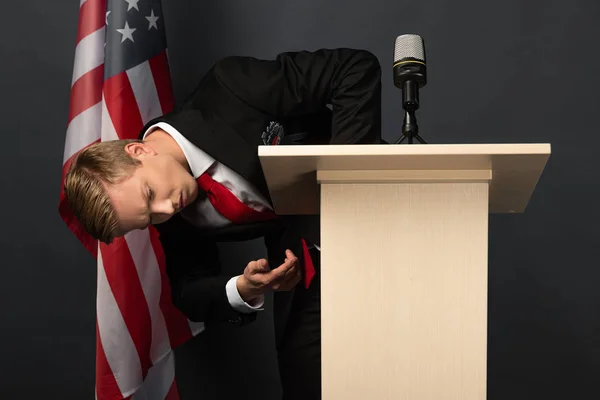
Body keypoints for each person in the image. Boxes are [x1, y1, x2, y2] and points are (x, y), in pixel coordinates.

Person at [64, 47, 382, 399]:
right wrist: (242, 288)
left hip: (389, 216)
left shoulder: (230, 87)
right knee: (306, 385)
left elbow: (354, 68)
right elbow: (188, 290)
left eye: (151, 193)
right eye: (150, 218)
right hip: (305, 271)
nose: (167, 210)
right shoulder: (172, 214)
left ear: (139, 151)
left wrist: (347, 184)